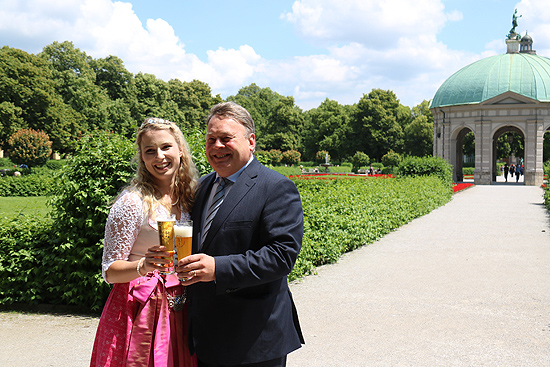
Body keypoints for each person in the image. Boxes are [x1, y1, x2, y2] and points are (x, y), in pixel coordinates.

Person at [176, 102, 304, 367]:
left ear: (251, 141)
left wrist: (217, 268)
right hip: (206, 336)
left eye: (226, 139)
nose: (217, 147)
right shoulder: (201, 187)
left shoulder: (276, 187)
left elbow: (281, 256)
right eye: (211, 139)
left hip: (255, 339)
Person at [90, 118, 198, 367]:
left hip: (183, 305)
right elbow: (109, 271)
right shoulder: (131, 202)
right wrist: (144, 266)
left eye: (166, 147)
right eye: (150, 151)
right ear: (142, 158)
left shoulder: (191, 197)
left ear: (180, 149)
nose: (159, 156)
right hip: (140, 310)